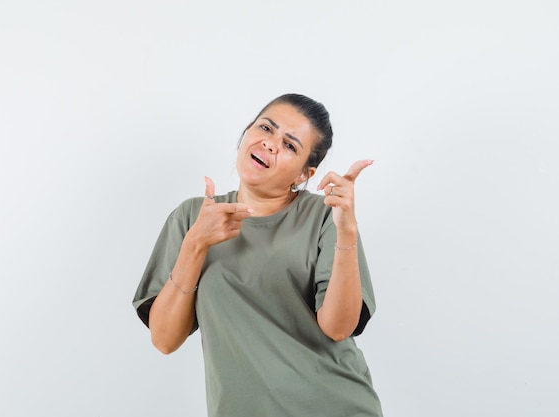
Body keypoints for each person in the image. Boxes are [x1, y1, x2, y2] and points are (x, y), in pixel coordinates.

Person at [133, 93, 383, 417]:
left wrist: (347, 231)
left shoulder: (325, 216)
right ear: (247, 131)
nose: (270, 143)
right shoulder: (192, 216)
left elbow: (338, 327)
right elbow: (164, 340)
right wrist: (196, 244)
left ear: (304, 175)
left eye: (290, 145)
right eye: (266, 128)